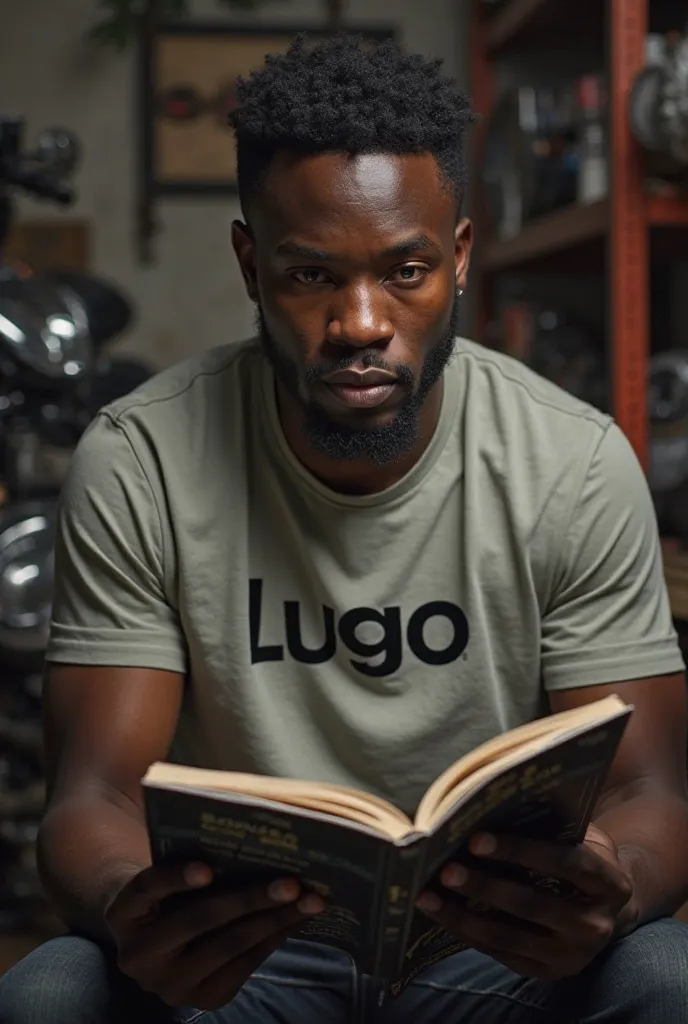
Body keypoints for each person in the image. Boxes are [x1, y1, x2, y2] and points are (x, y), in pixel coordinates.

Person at [0, 33, 687, 1024]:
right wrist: (130, 909)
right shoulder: (142, 457)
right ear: (250, 264)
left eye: (404, 270)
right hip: (245, 964)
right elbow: (92, 796)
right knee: (50, 993)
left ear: (457, 258)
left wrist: (614, 887)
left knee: (667, 973)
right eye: (312, 276)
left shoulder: (570, 461)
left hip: (498, 956)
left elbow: (655, 788)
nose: (361, 321)